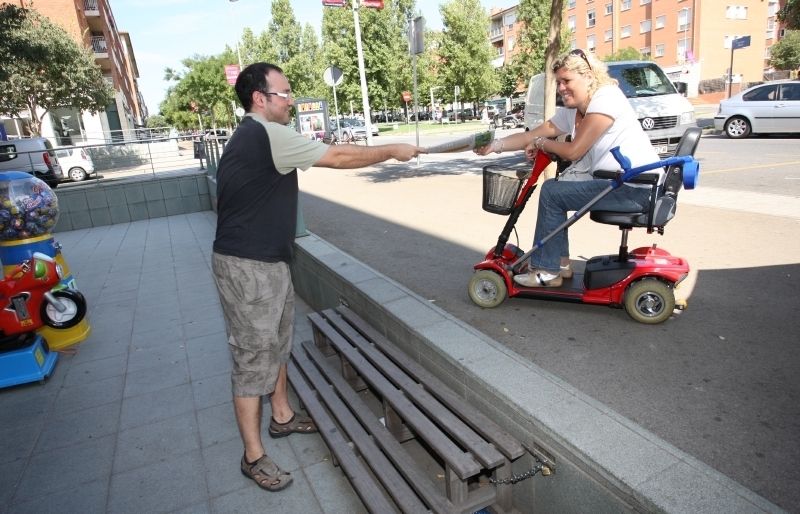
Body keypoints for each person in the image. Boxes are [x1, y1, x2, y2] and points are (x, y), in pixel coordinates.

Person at [212, 62, 425, 492]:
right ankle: (253, 457)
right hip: (248, 267)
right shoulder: (266, 134)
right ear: (260, 98)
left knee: (278, 344)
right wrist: (391, 150)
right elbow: (338, 156)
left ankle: (282, 415)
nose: (291, 101)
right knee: (252, 358)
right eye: (284, 93)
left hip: (266, 261)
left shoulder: (254, 134)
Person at [475, 49, 659, 287]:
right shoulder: (574, 111)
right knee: (556, 188)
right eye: (558, 82)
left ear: (589, 77)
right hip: (621, 183)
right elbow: (532, 135)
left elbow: (574, 151)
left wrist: (541, 143)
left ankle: (545, 270)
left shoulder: (606, 99)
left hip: (636, 188)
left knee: (552, 193)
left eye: (567, 81)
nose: (561, 88)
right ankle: (560, 265)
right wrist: (494, 146)